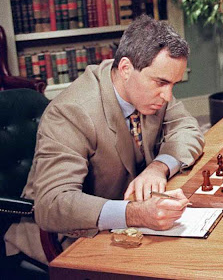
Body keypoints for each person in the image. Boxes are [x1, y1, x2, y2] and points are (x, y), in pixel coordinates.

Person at [5, 15, 205, 264]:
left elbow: (188, 129)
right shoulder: (72, 112)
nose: (167, 95)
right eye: (161, 83)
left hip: (123, 224)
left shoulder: (148, 89)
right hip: (66, 239)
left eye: (172, 84)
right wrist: (134, 214)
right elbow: (52, 204)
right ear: (125, 69)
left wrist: (159, 166)